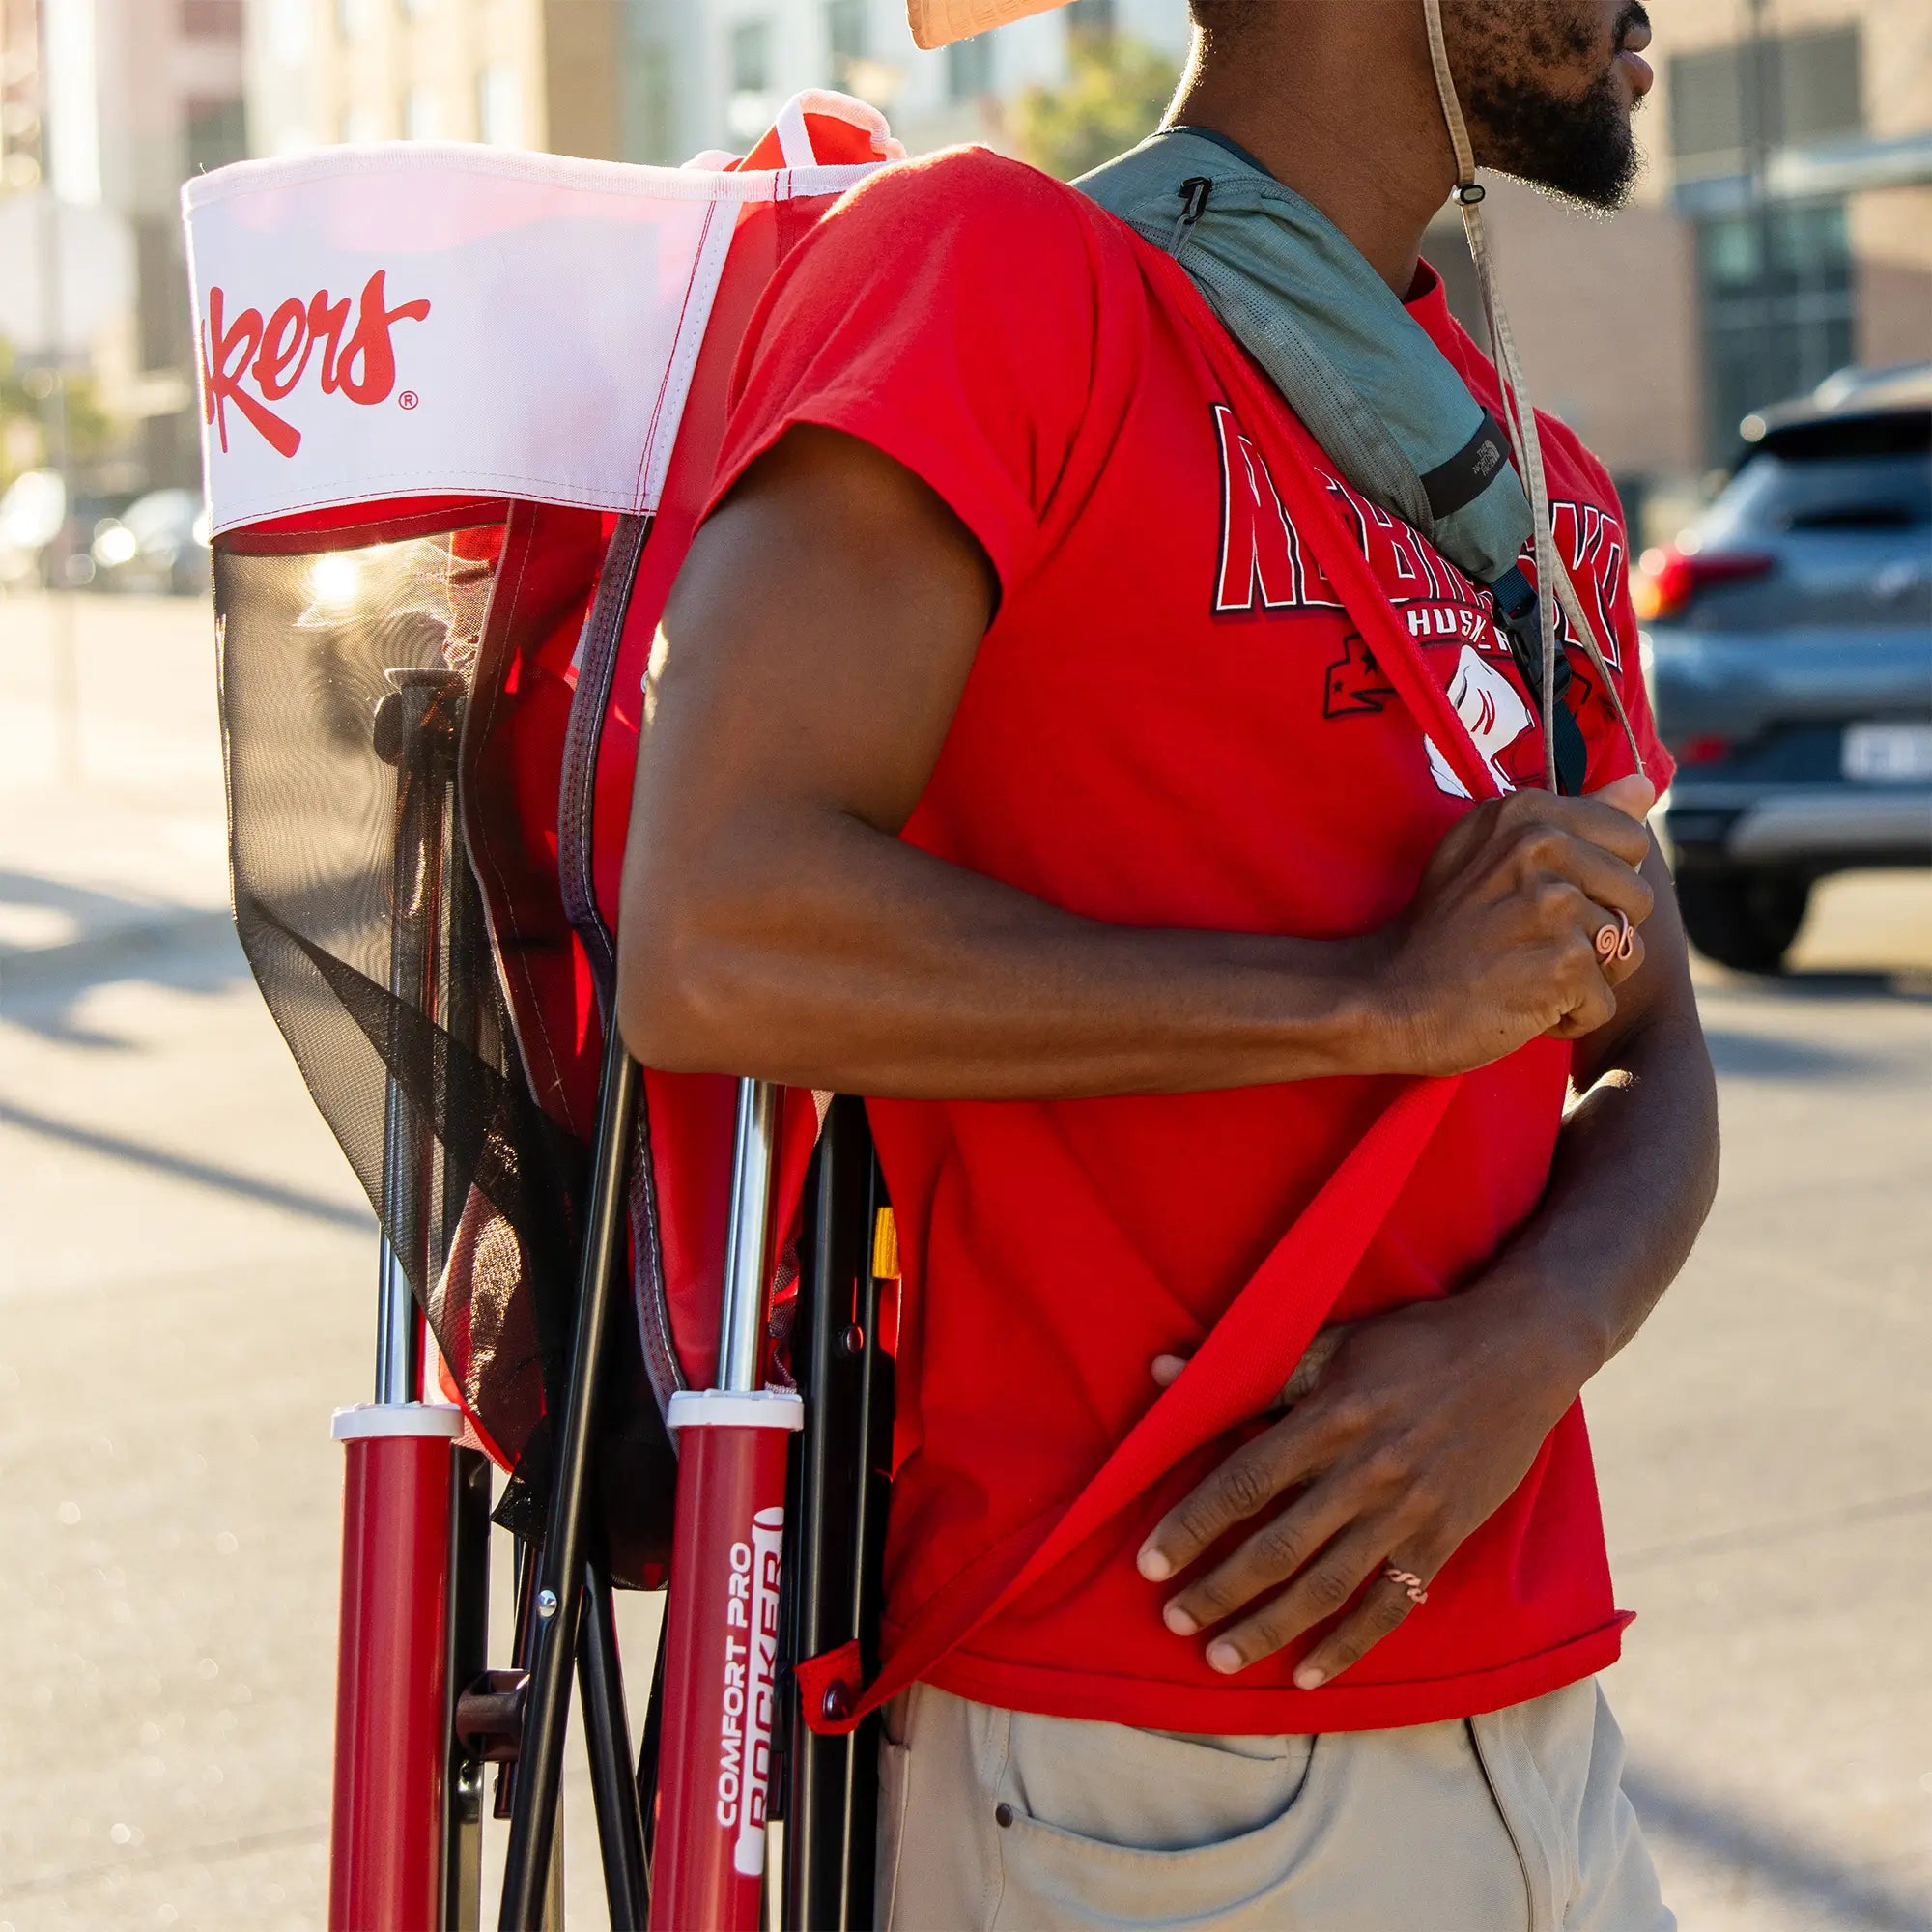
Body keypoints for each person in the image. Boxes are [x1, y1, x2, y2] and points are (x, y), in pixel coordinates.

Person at [617, 0, 1719, 1924]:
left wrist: (1522, 1345)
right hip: (1140, 1746)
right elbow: (714, 935)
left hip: (1542, 1723)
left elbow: (1651, 1054)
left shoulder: (1528, 479)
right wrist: (1368, 998)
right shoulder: (994, 273)